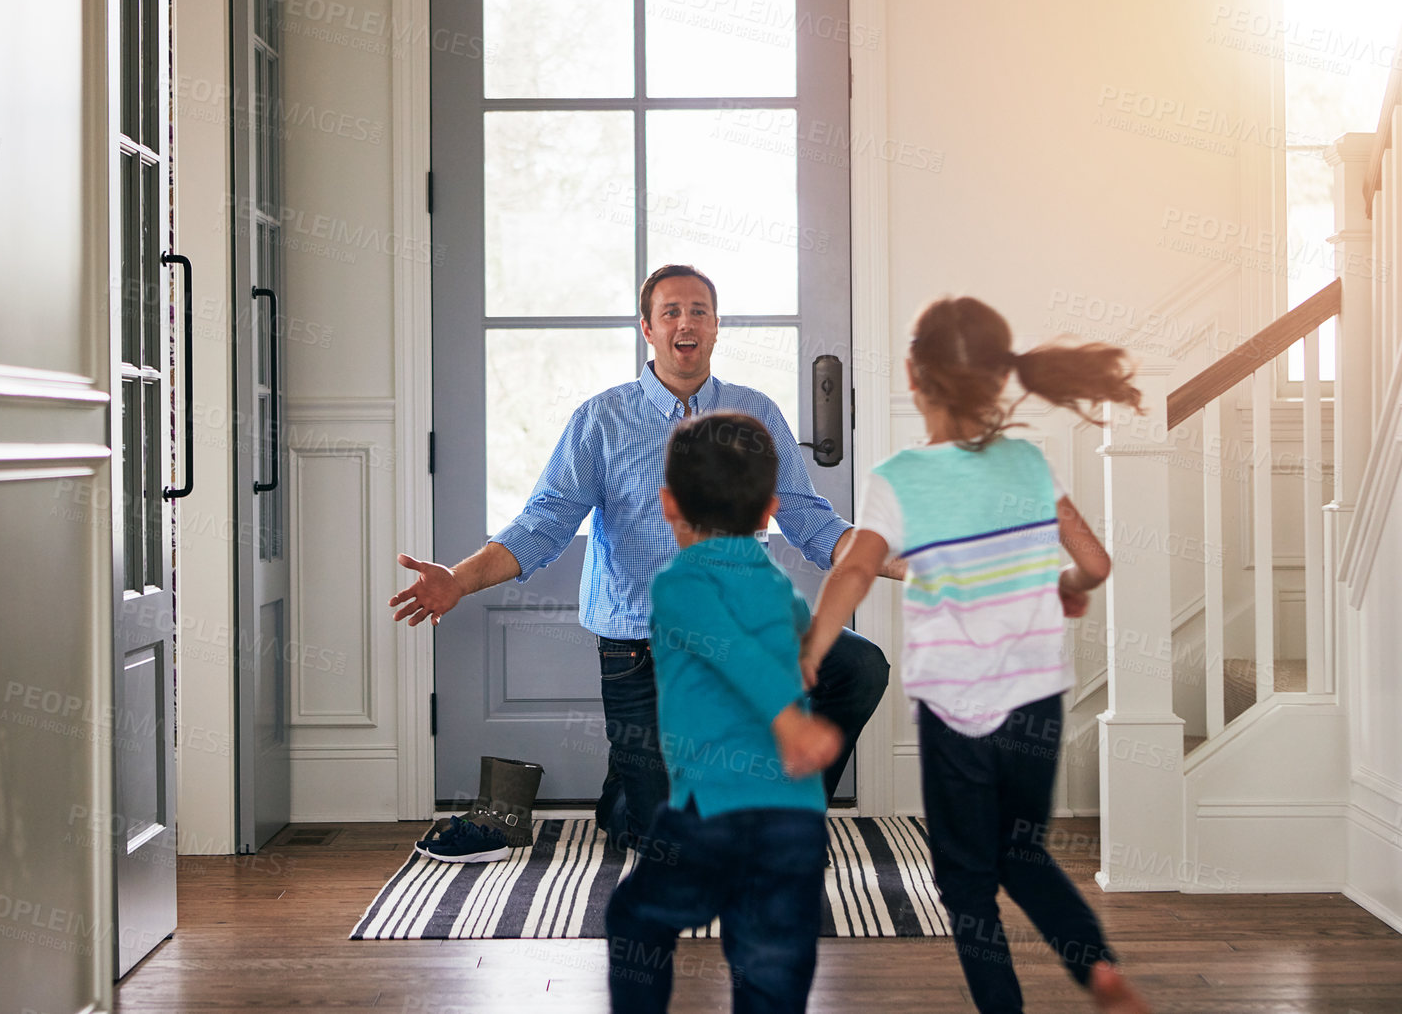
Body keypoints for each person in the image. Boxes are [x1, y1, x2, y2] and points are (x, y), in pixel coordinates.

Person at [391, 264, 897, 851]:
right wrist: (457, 579)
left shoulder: (755, 413)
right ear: (648, 329)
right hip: (642, 649)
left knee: (857, 666)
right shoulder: (601, 419)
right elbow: (544, 524)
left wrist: (896, 559)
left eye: (699, 311)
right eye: (671, 312)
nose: (687, 322)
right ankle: (630, 791)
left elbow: (809, 519)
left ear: (715, 328)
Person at [800, 296, 1153, 1014]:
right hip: (1036, 699)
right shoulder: (1027, 462)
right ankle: (1100, 973)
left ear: (913, 374)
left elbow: (857, 568)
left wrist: (813, 649)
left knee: (966, 881)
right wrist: (1069, 586)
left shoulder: (898, 478)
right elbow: (1096, 560)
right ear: (999, 380)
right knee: (1022, 852)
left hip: (957, 708)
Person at [606, 411, 842, 1013]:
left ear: (666, 503)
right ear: (770, 510)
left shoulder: (678, 583)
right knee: (771, 972)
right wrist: (807, 655)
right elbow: (780, 650)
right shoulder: (778, 586)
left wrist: (788, 720)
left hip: (713, 812)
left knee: (635, 919)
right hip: (797, 821)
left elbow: (733, 652)